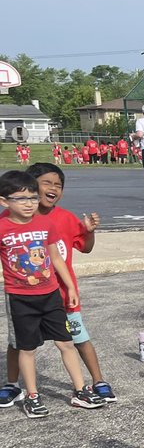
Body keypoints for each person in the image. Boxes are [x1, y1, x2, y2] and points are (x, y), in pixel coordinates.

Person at [0, 170, 105, 418]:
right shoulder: (2, 227)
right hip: (20, 298)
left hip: (51, 296)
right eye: (21, 199)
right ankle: (32, 396)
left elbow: (56, 258)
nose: (29, 204)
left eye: (32, 198)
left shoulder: (45, 224)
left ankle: (80, 391)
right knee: (27, 348)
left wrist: (70, 287)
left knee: (66, 343)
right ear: (4, 201)